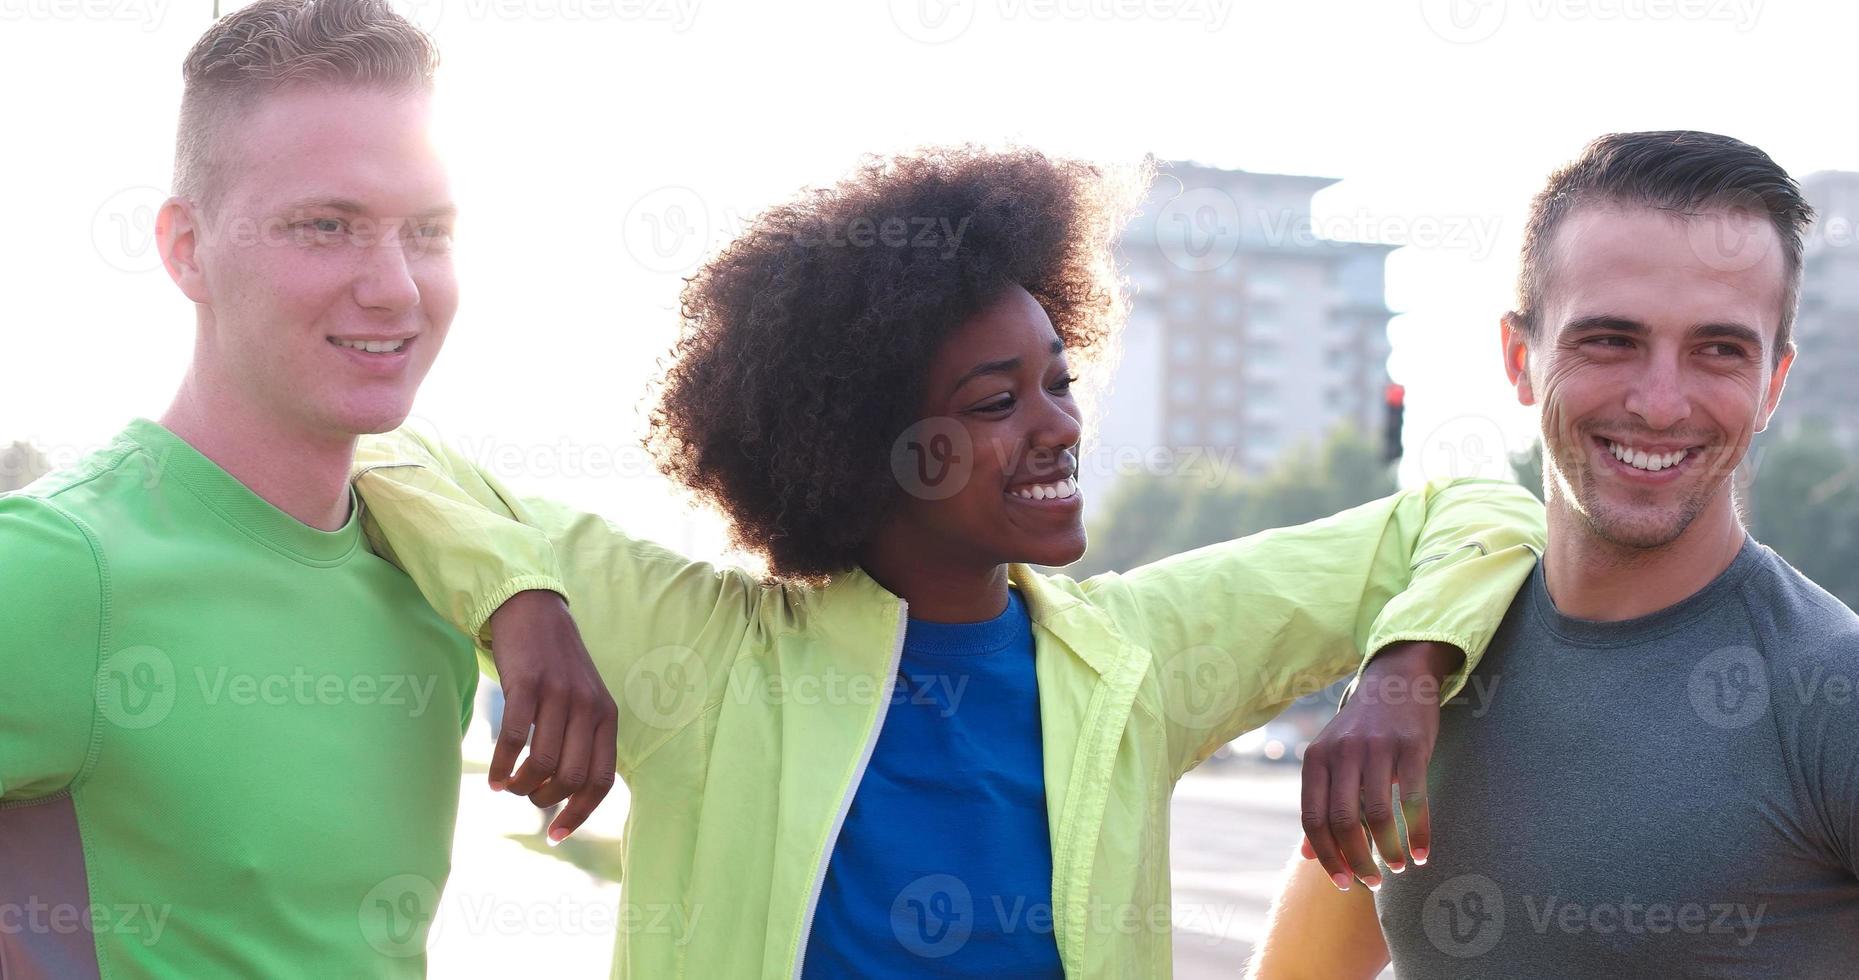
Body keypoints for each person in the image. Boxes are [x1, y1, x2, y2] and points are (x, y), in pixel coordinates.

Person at [349, 145, 1548, 977]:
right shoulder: (709, 650)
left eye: (1057, 381)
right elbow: (383, 449)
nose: (1058, 426)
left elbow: (1475, 512)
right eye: (995, 400)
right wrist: (521, 597)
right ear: (861, 446)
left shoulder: (1140, 648)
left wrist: (1400, 667)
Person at [0, 2, 614, 975]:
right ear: (185, 248)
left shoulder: (431, 576)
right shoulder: (62, 567)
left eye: (428, 230)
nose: (395, 288)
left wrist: (523, 589)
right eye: (326, 225)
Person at [1250, 131, 1859, 980]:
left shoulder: (1832, 692)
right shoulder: (1429, 662)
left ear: (1773, 383)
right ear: (1517, 357)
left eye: (1718, 349)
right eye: (1609, 340)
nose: (1658, 401)